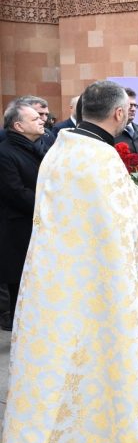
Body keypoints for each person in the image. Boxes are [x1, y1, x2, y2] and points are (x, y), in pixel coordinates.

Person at [0, 80, 138, 443]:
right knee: (105, 367)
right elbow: (122, 230)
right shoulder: (99, 160)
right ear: (118, 115)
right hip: (102, 291)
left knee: (64, 370)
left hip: (62, 284)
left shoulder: (61, 149)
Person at [0, 102, 49, 331]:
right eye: (35, 118)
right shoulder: (5, 153)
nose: (42, 120)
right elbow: (16, 192)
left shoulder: (38, 147)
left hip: (36, 225)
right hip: (17, 231)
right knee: (20, 284)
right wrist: (49, 205)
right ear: (18, 126)